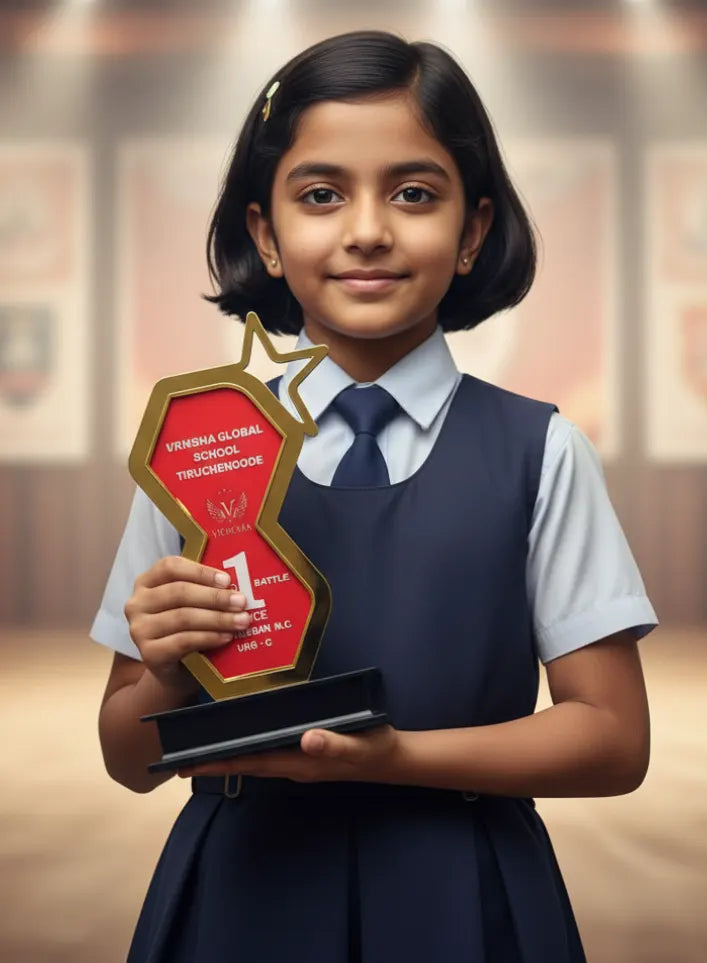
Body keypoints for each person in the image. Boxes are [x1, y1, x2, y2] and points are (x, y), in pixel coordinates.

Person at [92, 30, 658, 963]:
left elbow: (612, 739)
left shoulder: (541, 451)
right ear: (265, 236)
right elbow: (125, 755)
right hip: (241, 894)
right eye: (321, 195)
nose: (366, 229)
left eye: (413, 193)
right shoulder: (195, 451)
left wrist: (398, 760)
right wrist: (162, 663)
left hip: (466, 896)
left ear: (474, 230)